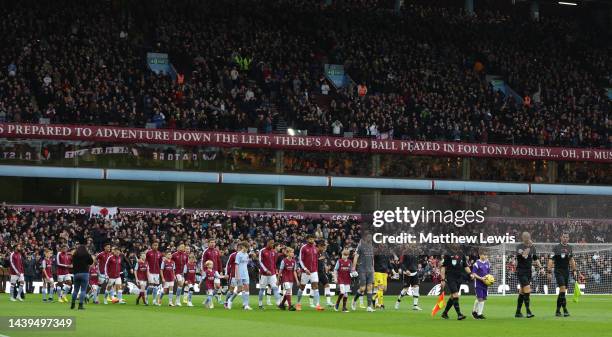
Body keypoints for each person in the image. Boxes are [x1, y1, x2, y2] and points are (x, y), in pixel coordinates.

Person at [548, 233, 577, 317]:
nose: (565, 238)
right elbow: (550, 260)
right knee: (563, 290)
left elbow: (571, 260)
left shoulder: (569, 248)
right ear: (561, 237)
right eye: (564, 237)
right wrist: (549, 272)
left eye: (566, 237)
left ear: (568, 238)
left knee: (562, 292)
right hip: (558, 271)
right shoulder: (556, 248)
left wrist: (574, 270)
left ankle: (557, 311)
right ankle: (565, 310)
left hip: (566, 272)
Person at [515, 232, 541, 318]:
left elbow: (535, 258)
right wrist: (529, 247)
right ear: (522, 238)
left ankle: (518, 312)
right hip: (521, 271)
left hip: (528, 271)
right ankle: (528, 311)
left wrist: (541, 268)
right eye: (526, 237)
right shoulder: (519, 247)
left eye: (528, 237)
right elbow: (524, 255)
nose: (528, 238)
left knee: (522, 292)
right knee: (527, 290)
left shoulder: (532, 247)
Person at [440, 254, 472, 320]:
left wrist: (470, 274)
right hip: (451, 278)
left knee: (453, 296)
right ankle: (459, 314)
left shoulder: (462, 255)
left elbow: (465, 266)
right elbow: (443, 267)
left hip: (459, 278)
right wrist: (442, 279)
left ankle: (445, 313)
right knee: (455, 295)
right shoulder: (448, 255)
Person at [296, 234, 323, 311]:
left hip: (314, 271)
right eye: (310, 239)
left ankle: (317, 305)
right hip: (305, 272)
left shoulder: (315, 248)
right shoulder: (303, 248)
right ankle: (298, 304)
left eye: (313, 239)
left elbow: (315, 260)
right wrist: (304, 269)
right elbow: (300, 260)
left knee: (316, 287)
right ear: (307, 239)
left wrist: (316, 270)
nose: (312, 240)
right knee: (302, 287)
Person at [351, 236, 375, 312]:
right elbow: (356, 257)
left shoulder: (371, 247)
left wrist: (373, 269)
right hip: (362, 269)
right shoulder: (360, 246)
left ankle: (369, 306)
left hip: (370, 270)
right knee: (362, 289)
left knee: (369, 287)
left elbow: (372, 259)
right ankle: (354, 301)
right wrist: (353, 268)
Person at [257, 238, 281, 309]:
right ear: (267, 243)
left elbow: (274, 263)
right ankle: (260, 304)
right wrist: (266, 270)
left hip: (272, 274)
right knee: (262, 289)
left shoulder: (273, 252)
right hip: (264, 274)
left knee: (275, 288)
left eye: (273, 243)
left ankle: (278, 304)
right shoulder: (262, 251)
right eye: (271, 243)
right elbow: (260, 262)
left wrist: (275, 272)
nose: (272, 245)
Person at [71, 244, 93, 310]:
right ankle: (80, 305)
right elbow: (91, 262)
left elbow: (72, 262)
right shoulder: (87, 255)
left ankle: (73, 304)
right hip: (85, 274)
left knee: (75, 290)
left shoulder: (74, 255)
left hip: (76, 274)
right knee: (83, 290)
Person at [202, 239, 223, 303]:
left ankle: (210, 297)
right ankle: (211, 298)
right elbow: (203, 261)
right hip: (208, 271)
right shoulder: (206, 251)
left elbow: (219, 261)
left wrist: (221, 271)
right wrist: (204, 270)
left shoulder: (216, 251)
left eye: (214, 242)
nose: (213, 243)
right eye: (211, 242)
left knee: (218, 286)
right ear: (208, 243)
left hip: (216, 270)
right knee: (209, 286)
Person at [471, 252, 491, 319]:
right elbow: (474, 273)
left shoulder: (487, 263)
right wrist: (480, 278)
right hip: (478, 283)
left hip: (485, 283)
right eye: (484, 254)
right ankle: (479, 314)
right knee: (480, 298)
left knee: (483, 298)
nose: (485, 256)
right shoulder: (476, 264)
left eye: (486, 254)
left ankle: (474, 311)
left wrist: (490, 280)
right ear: (480, 255)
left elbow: (488, 273)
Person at [278, 247, 298, 311]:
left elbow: (294, 271)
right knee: (288, 290)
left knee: (288, 292)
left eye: (293, 252)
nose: (292, 253)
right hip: (285, 278)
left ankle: (281, 304)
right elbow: (280, 271)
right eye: (291, 252)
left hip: (291, 279)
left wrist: (297, 280)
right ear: (287, 253)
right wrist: (278, 280)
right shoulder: (284, 261)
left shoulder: (294, 261)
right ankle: (290, 306)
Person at [234, 242, 252, 310]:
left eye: (248, 248)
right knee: (240, 289)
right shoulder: (238, 254)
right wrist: (237, 275)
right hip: (240, 274)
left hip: (246, 273)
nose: (247, 249)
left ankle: (246, 305)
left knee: (247, 288)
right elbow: (236, 265)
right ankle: (230, 300)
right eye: (246, 247)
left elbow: (245, 264)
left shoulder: (247, 254)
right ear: (243, 247)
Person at [145, 241, 163, 306]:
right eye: (154, 245)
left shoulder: (159, 254)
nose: (155, 246)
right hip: (150, 271)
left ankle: (154, 300)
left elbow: (160, 263)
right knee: (151, 285)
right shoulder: (149, 253)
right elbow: (146, 261)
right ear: (152, 246)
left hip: (157, 272)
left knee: (155, 287)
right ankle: (146, 298)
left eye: (156, 245)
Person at [317, 241, 333, 307]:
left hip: (322, 272)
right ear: (319, 246)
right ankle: (314, 303)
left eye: (325, 248)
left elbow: (328, 261)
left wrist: (328, 266)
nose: (324, 249)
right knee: (315, 287)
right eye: (323, 247)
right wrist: (319, 258)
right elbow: (313, 260)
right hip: (315, 272)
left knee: (327, 285)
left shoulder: (325, 253)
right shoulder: (315, 252)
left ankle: (328, 302)